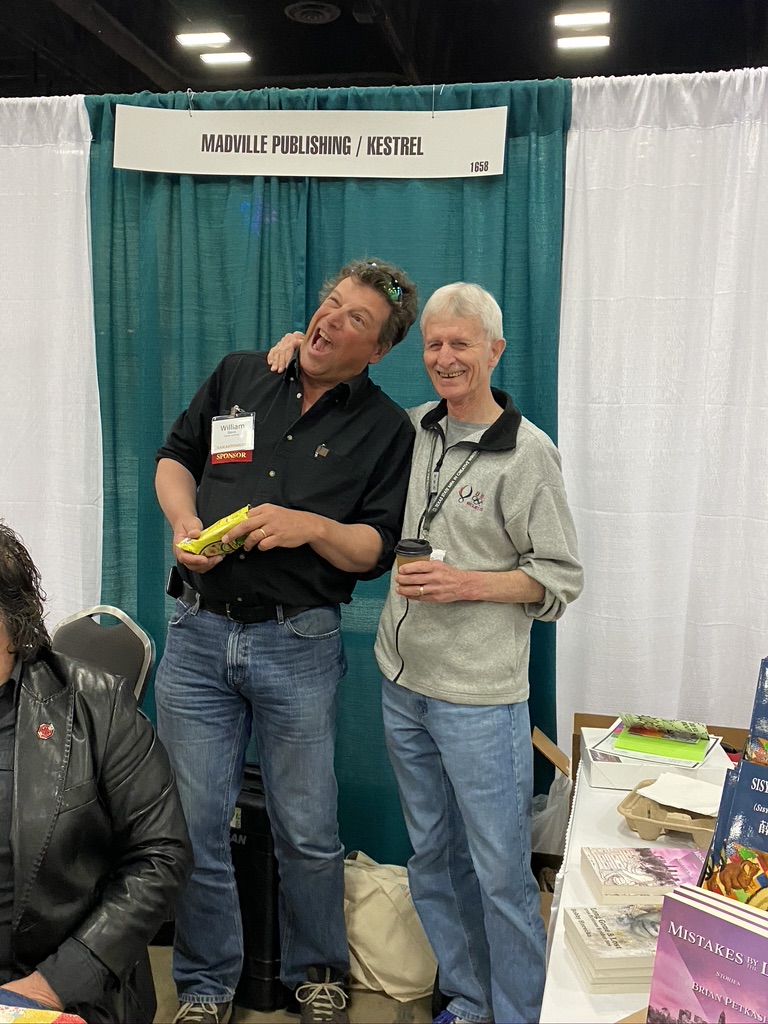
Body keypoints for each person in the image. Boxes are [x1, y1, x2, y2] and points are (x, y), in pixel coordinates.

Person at [154, 258, 418, 1024]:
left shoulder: (386, 429)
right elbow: (176, 459)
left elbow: (376, 548)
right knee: (195, 822)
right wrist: (184, 523)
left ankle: (318, 974)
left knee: (307, 828)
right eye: (331, 303)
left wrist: (311, 528)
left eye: (356, 318)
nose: (331, 319)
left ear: (378, 350)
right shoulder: (243, 373)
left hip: (296, 643)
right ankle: (206, 986)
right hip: (197, 635)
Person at [374, 283, 583, 1024]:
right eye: (433, 344)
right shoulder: (412, 429)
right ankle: (468, 1001)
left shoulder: (529, 454)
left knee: (500, 875)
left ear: (494, 350)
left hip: (480, 701)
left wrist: (467, 584)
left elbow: (561, 580)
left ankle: (519, 1012)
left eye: (460, 343)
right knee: (432, 858)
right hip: (402, 686)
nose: (445, 357)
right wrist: (294, 353)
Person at [0, 520, 192, 1023]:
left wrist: (55, 984)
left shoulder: (96, 705)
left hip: (55, 985)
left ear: (14, 624)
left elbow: (161, 854)